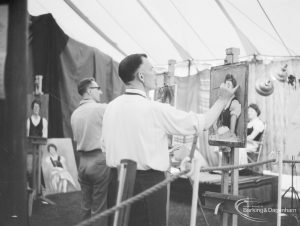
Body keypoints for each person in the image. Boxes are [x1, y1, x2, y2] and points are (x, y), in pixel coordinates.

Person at [101, 54, 239, 226]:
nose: (155, 73)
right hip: (146, 185)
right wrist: (223, 99)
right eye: (151, 69)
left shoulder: (110, 107)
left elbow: (107, 147)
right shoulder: (153, 108)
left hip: (115, 182)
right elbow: (201, 123)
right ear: (141, 77)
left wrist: (158, 151)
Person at [71, 78, 110, 225]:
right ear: (89, 90)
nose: (100, 91)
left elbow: (77, 138)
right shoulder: (101, 108)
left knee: (85, 206)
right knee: (99, 209)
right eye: (97, 88)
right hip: (99, 161)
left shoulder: (74, 114)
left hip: (82, 163)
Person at [214, 74, 241, 141]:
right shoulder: (222, 102)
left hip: (229, 137)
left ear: (233, 88)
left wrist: (225, 136)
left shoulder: (234, 103)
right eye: (226, 85)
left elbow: (232, 132)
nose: (226, 87)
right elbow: (214, 121)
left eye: (229, 85)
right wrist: (216, 132)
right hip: (220, 134)